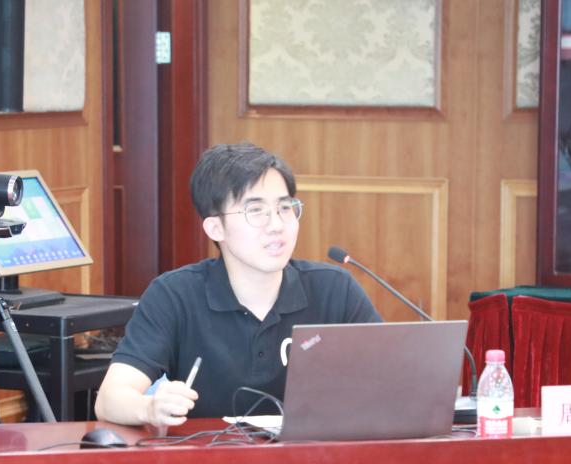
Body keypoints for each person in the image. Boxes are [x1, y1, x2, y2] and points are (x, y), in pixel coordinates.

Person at [94, 142, 381, 428]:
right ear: (215, 228)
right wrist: (149, 407)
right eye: (255, 211)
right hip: (208, 454)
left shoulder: (334, 289)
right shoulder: (174, 295)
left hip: (315, 453)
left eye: (285, 207)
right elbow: (109, 399)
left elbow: (390, 380)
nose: (276, 225)